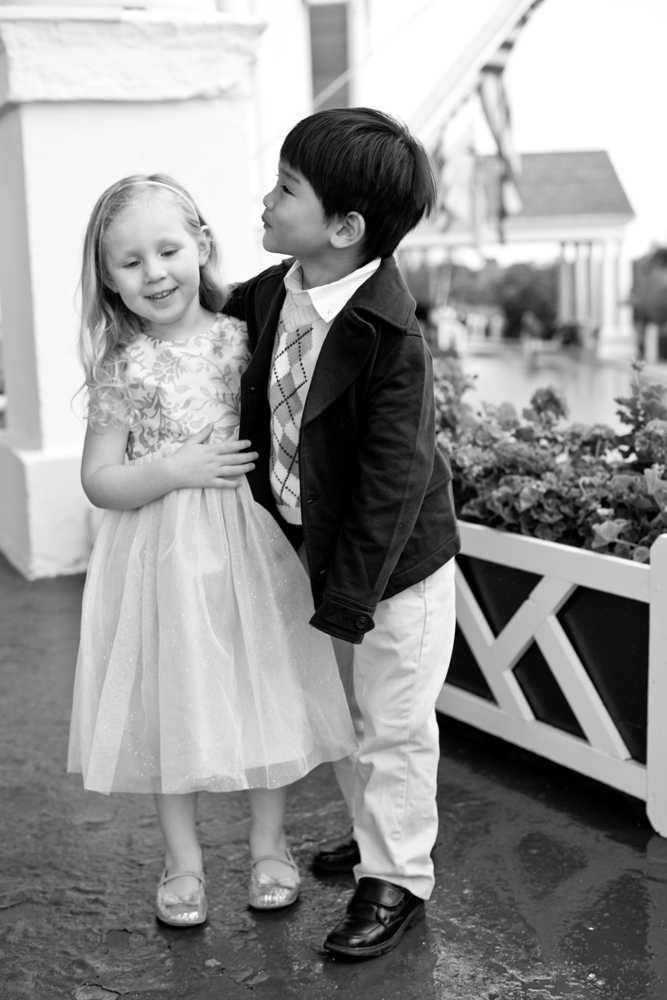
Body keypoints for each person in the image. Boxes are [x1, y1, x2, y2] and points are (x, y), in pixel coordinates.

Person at [67, 173, 356, 927]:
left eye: (168, 250)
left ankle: (269, 844)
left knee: (264, 687)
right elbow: (99, 480)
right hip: (159, 558)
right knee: (175, 698)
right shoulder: (123, 366)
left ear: (200, 245)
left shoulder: (244, 339)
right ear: (108, 277)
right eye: (131, 261)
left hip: (247, 547)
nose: (154, 273)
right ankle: (183, 861)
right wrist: (172, 469)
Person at [223, 108, 460, 959]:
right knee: (348, 716)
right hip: (318, 555)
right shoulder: (267, 295)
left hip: (392, 570)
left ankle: (396, 877)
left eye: (285, 188)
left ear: (344, 228)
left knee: (393, 723)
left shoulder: (389, 339)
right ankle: (372, 836)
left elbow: (392, 487)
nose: (266, 199)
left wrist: (351, 599)